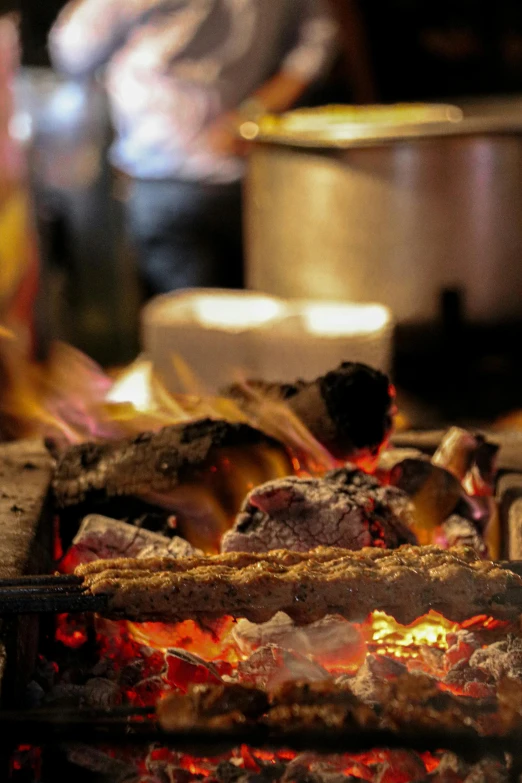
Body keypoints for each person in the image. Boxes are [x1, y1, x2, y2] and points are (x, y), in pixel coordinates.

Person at [49, 0, 339, 298]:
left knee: (187, 329)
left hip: (166, 175)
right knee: (252, 317)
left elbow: (73, 51)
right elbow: (317, 41)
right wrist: (252, 113)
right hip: (252, 174)